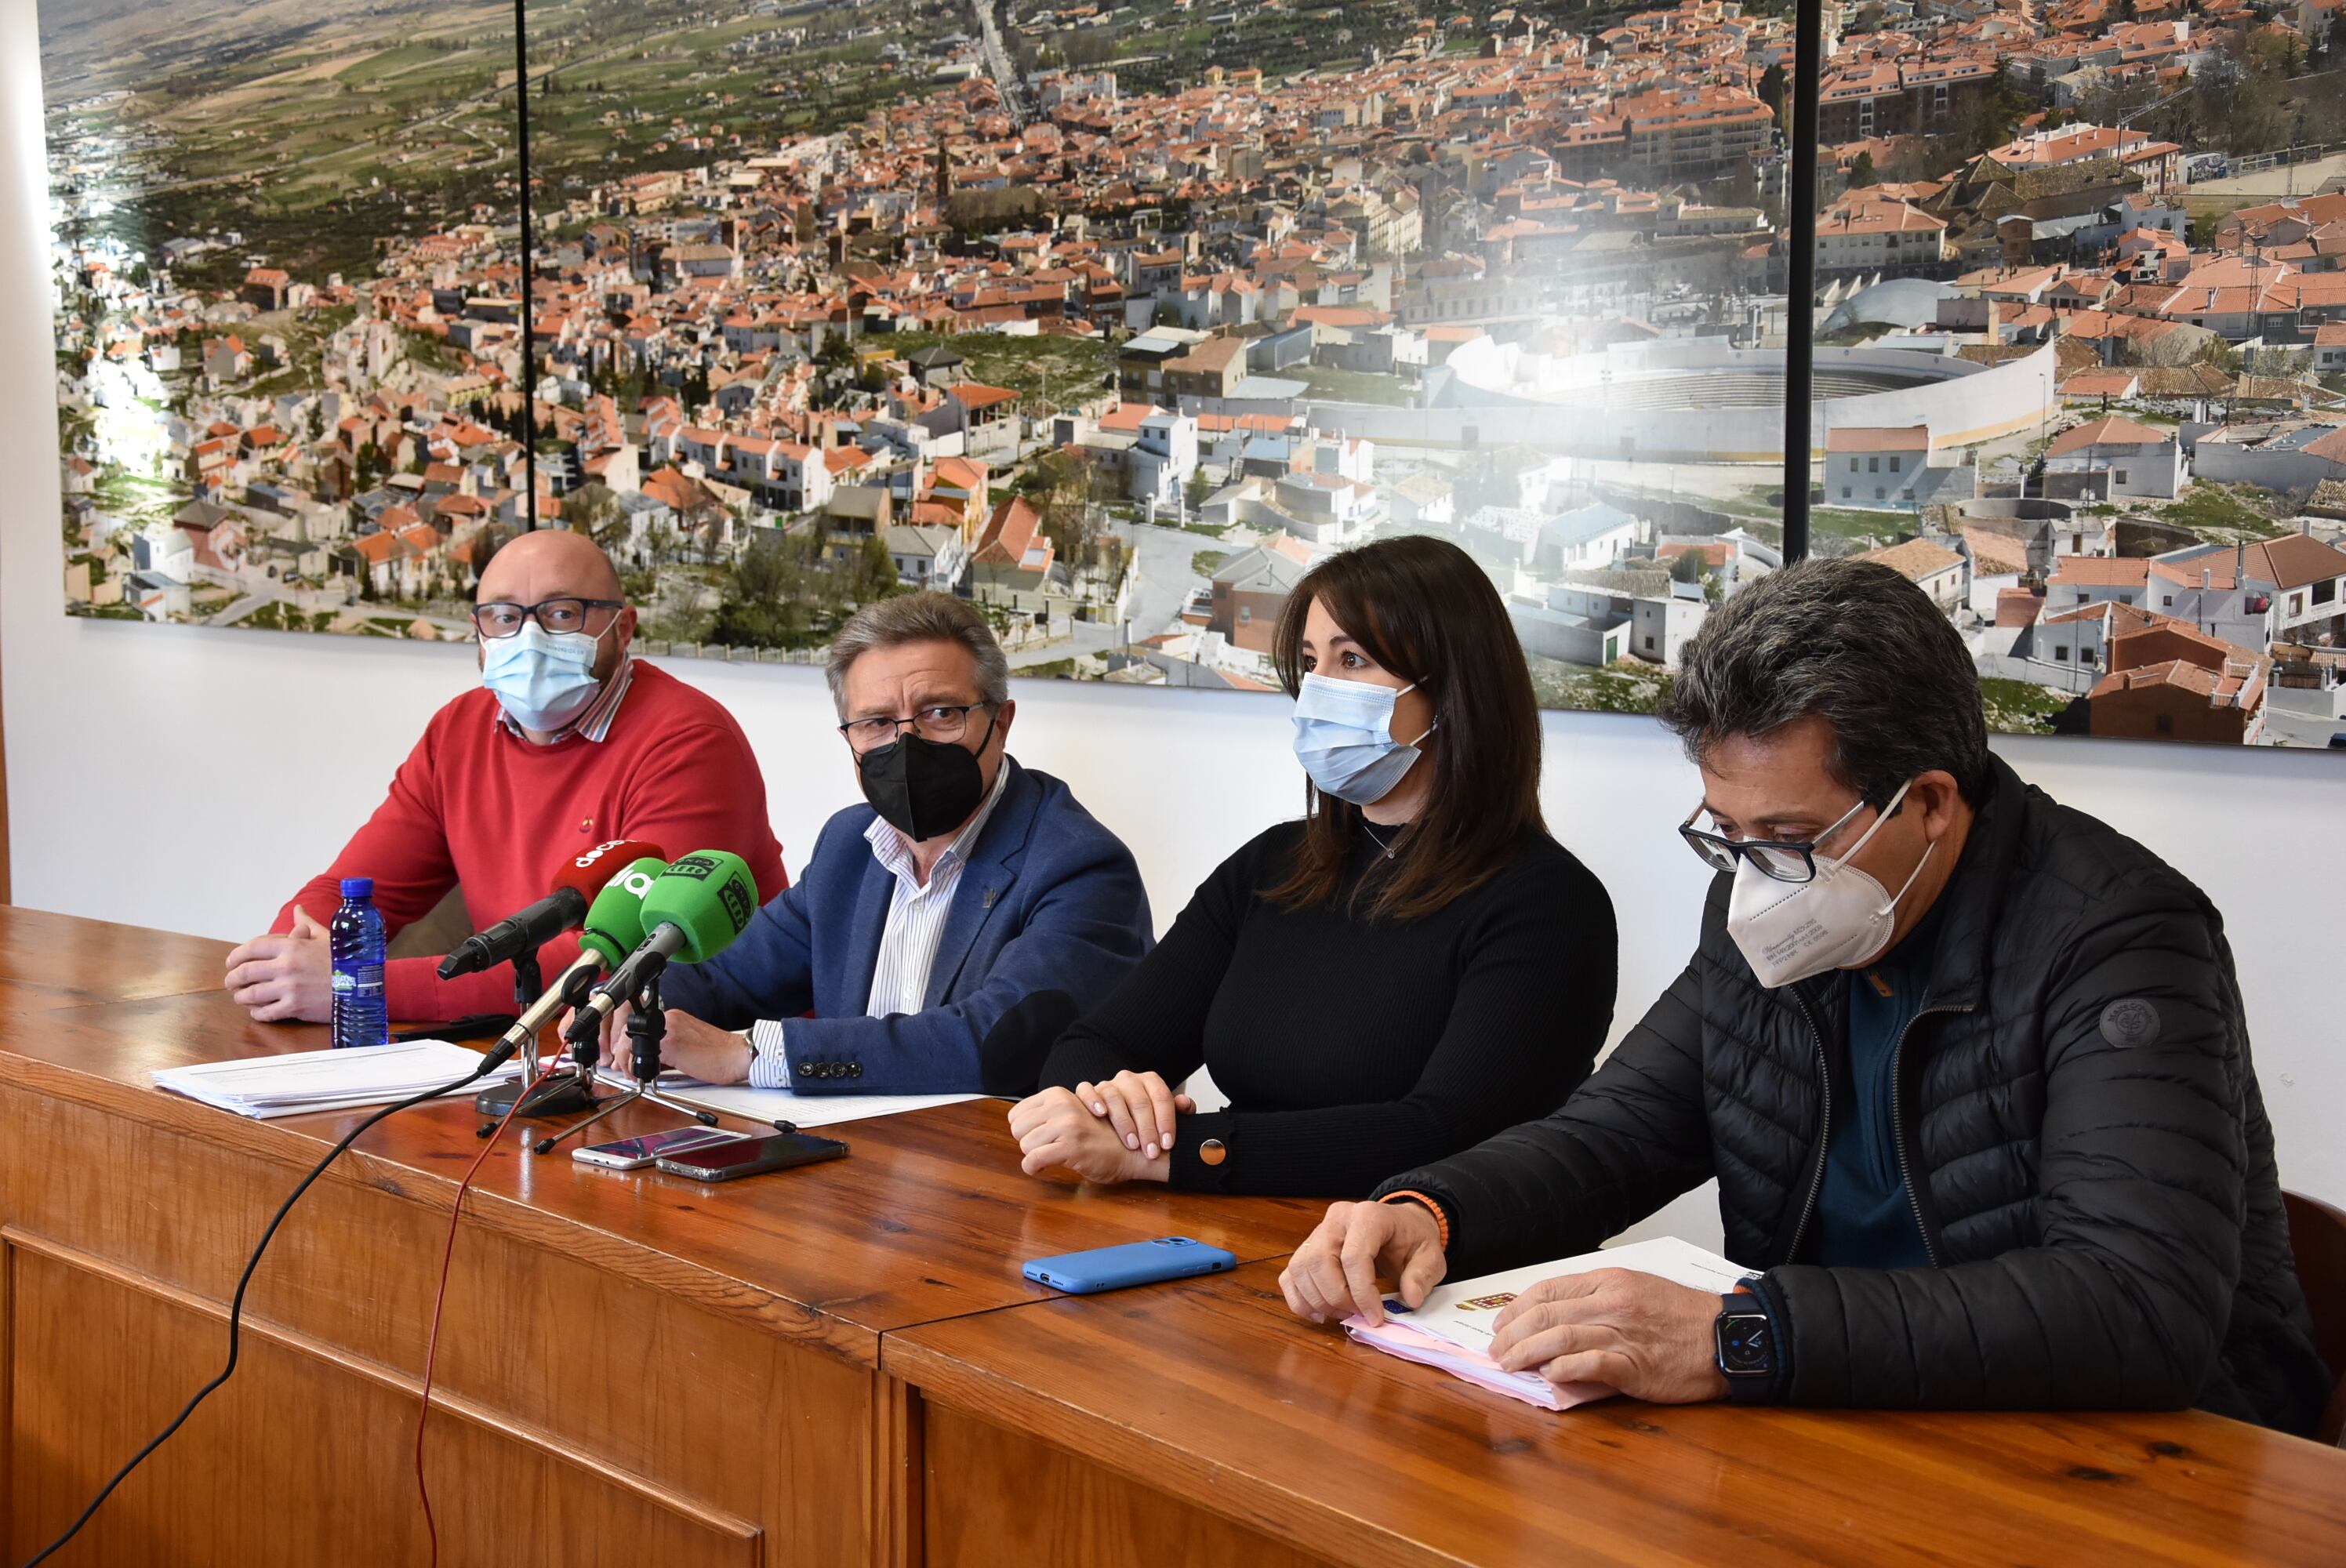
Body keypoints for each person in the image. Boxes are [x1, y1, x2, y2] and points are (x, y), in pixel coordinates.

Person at [1277, 557, 2328, 1436]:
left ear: (1926, 802)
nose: (1751, 875)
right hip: (1843, 1414)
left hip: (2144, 1453)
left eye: (1783, 840)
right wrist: (1432, 1209)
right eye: (1725, 835)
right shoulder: (1774, 906)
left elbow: (2133, 1306)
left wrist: (1745, 1331)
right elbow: (1619, 1131)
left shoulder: (2120, 938)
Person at [1008, 535, 1615, 1196]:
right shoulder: (1273, 866)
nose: (1319, 690)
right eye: (1309, 662)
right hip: (1232, 1236)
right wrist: (1115, 1105)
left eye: (1352, 659)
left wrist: (1172, 1153)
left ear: (1451, 687)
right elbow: (1093, 1044)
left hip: (1413, 1269)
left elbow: (1448, 1133)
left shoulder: (1550, 904)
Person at [594, 590, 1153, 1096]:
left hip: (1001, 1176)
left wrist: (750, 1055)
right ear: (849, 736)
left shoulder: (1080, 866)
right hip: (855, 1168)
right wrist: (638, 1003)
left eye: (940, 713)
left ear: (1000, 723)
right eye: (877, 723)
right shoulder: (851, 846)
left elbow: (997, 1042)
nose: (906, 743)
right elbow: (726, 975)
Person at [223, 528, 787, 1023]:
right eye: (503, 616)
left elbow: (620, 959)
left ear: (624, 627)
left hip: (709, 1054)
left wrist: (359, 987)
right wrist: (292, 956)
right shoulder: (459, 731)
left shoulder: (688, 740)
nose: (528, 636)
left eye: (562, 613)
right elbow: (350, 891)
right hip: (527, 1041)